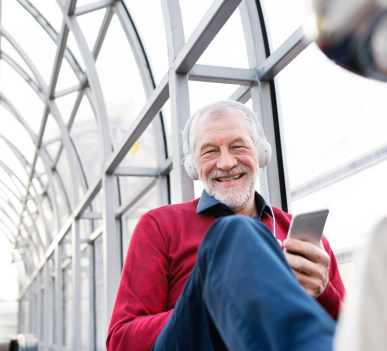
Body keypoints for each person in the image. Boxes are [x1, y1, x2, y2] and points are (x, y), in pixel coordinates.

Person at [107, 100, 346, 351]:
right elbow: (121, 342)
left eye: (238, 146)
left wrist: (323, 294)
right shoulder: (159, 227)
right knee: (236, 232)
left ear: (261, 152)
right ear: (193, 166)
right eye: (210, 151)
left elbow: (356, 339)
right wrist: (213, 302)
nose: (226, 163)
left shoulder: (306, 243)